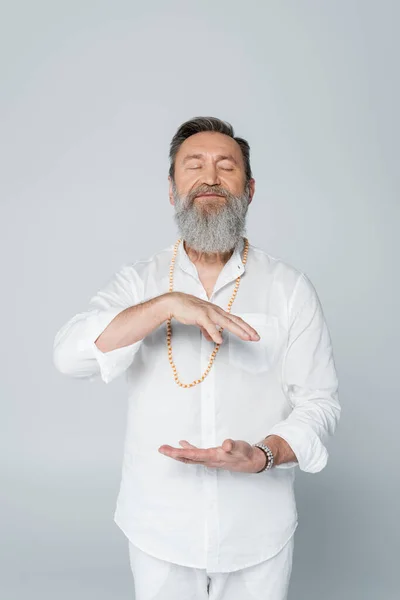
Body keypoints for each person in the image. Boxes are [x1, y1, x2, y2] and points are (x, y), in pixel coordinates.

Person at [53, 116, 341, 599]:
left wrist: (265, 454)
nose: (210, 178)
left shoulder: (290, 289)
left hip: (259, 531)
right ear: (172, 189)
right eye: (194, 166)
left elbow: (320, 403)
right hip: (159, 528)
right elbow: (69, 357)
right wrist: (165, 306)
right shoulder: (139, 282)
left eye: (226, 167)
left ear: (249, 189)